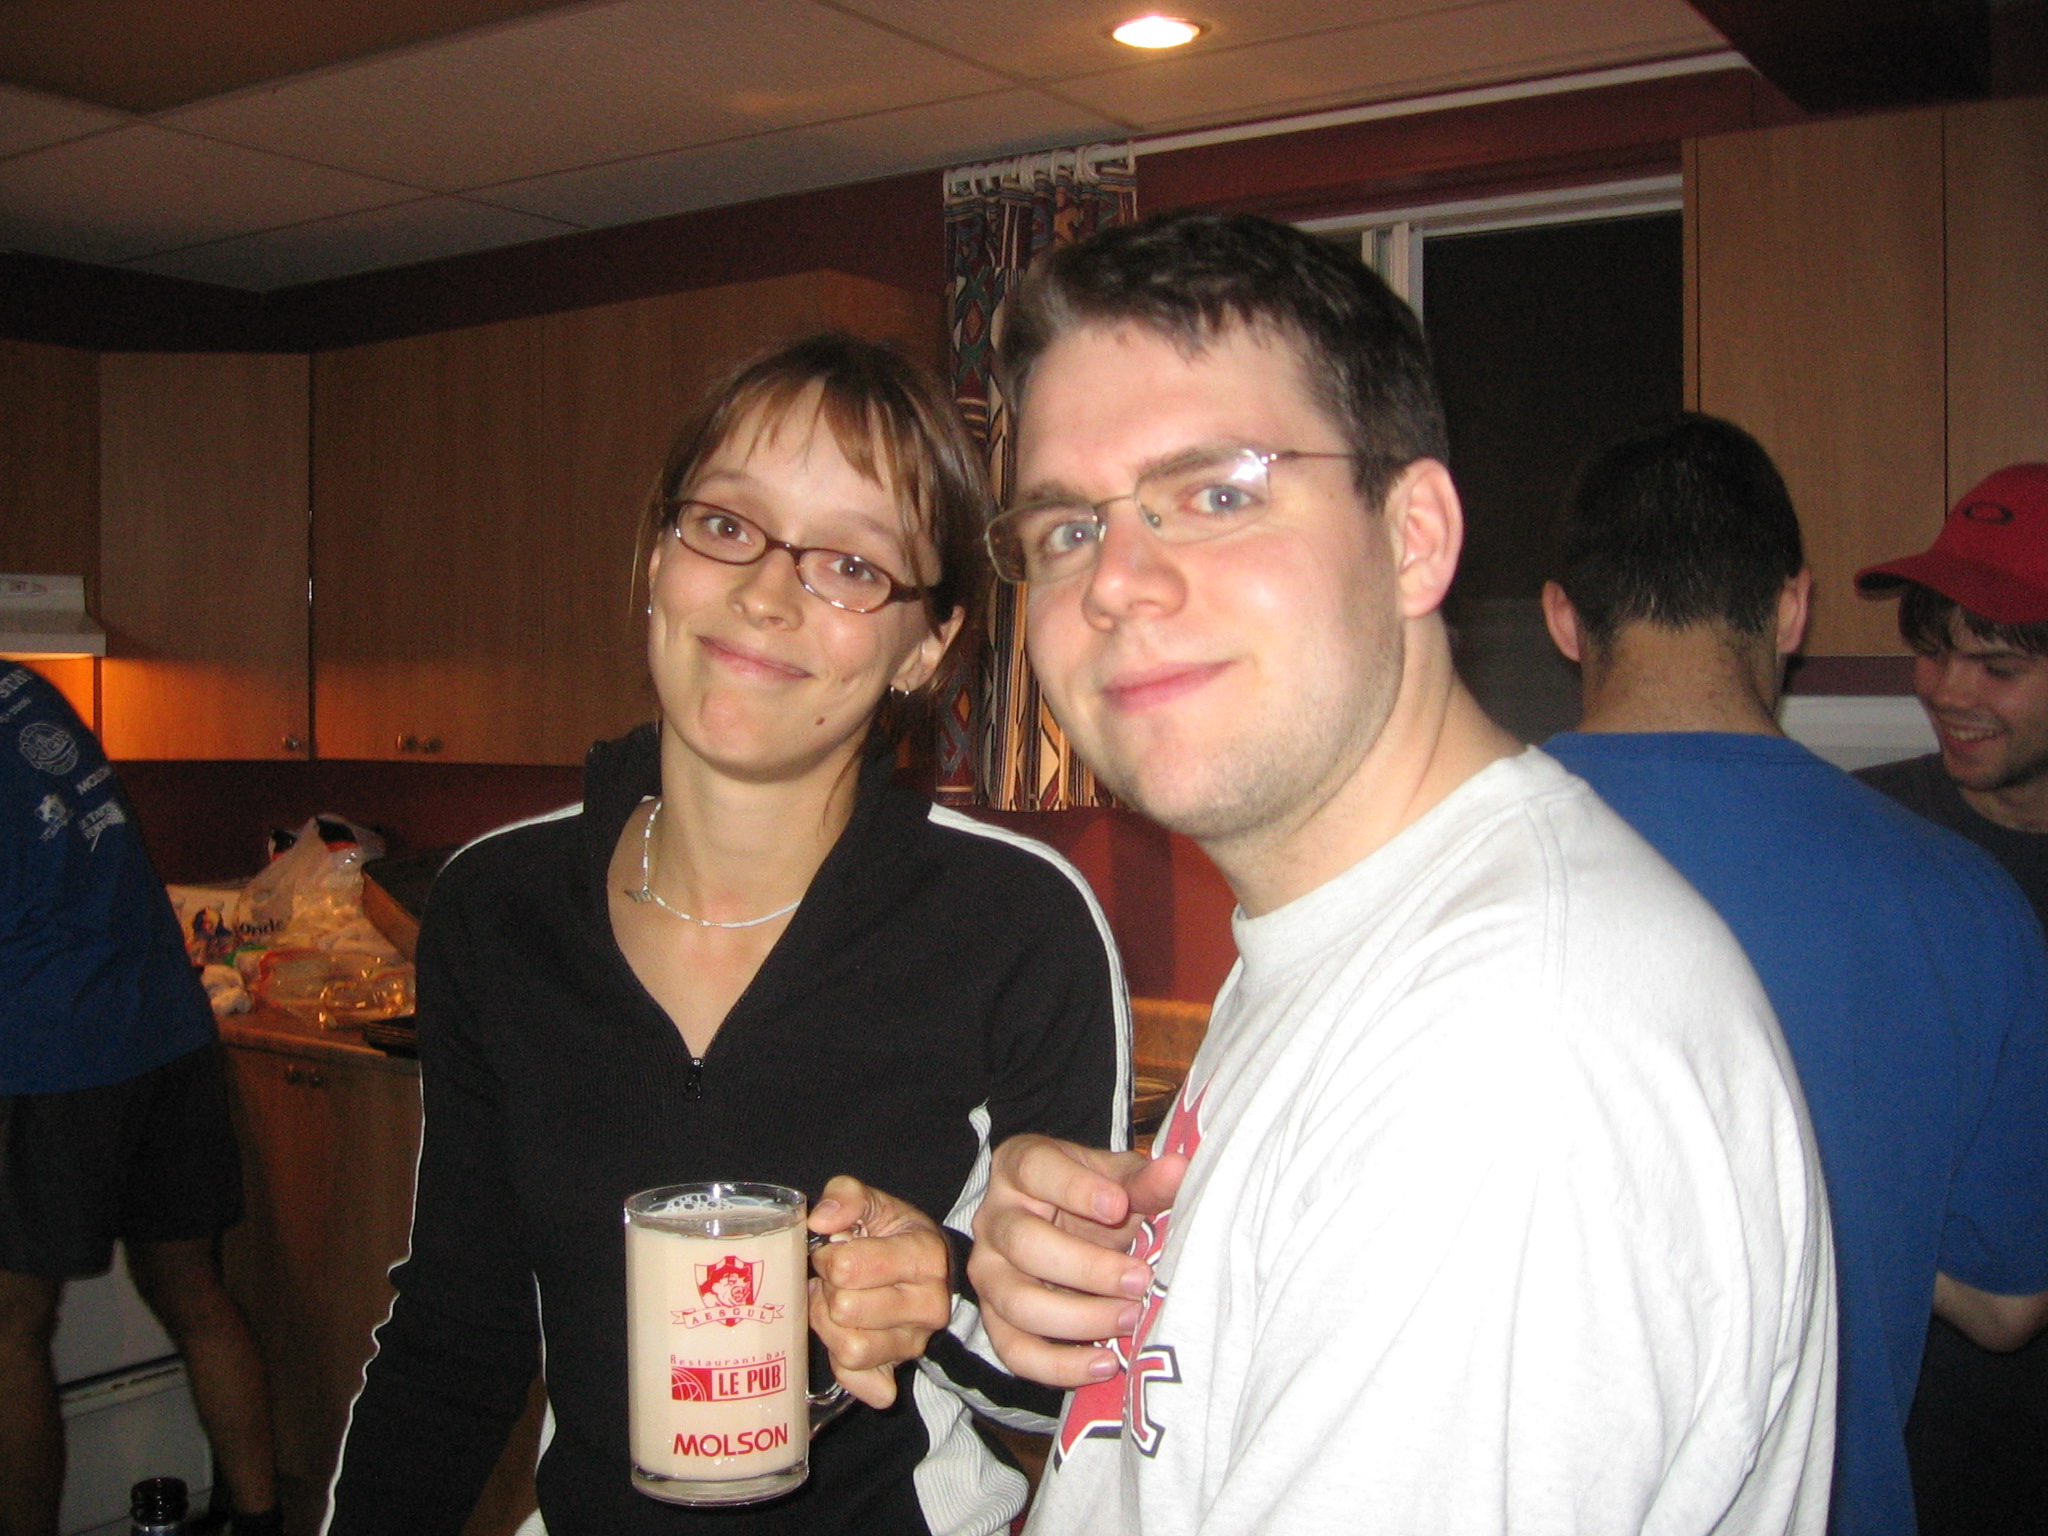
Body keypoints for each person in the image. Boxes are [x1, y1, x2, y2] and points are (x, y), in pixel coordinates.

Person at [965, 210, 1836, 1535]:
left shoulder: (1510, 1044)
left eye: (1217, 494)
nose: (1117, 584)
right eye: (1066, 531)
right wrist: (1138, 1261)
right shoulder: (1357, 934)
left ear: (1414, 535)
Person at [326, 333, 1129, 1536]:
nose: (764, 593)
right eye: (725, 526)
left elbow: (1078, 1385)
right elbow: (457, 1335)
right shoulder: (497, 906)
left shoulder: (1016, 925)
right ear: (658, 557)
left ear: (926, 645)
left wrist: (945, 1292)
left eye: (850, 564)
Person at [1535, 415, 2048, 1536]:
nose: (1954, 687)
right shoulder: (1965, 900)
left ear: (1564, 618)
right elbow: (2009, 1302)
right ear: (1792, 609)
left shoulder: (1417, 873)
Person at [0, 662, 279, 1536]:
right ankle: (258, 1519)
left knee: (9, 1327)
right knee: (194, 1291)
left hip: (50, 1051)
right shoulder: (23, 692)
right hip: (163, 1027)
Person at [1854, 462, 2048, 1536]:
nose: (1946, 690)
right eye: (1932, 651)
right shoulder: (1861, 841)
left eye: (1998, 665)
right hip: (1911, 1447)